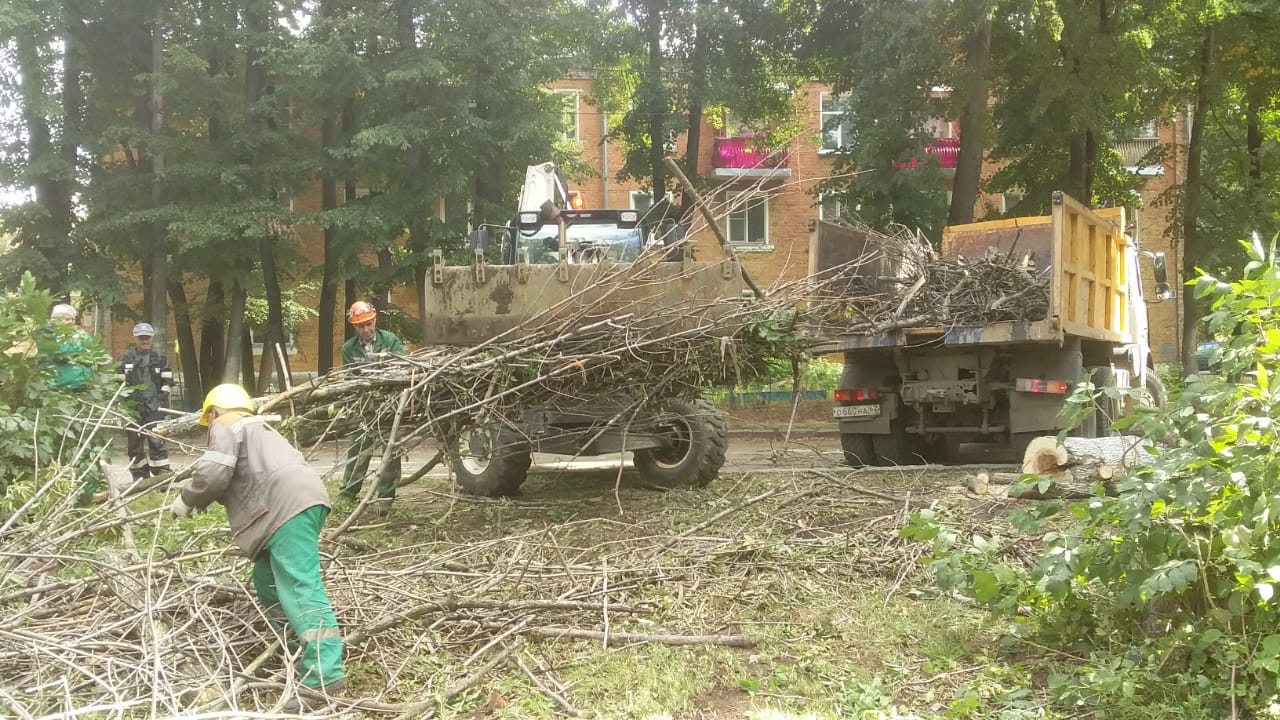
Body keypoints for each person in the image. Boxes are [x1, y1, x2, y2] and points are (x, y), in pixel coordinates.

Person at [171, 383, 346, 709]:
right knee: (267, 582)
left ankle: (324, 674)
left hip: (285, 508)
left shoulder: (226, 424)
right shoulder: (259, 427)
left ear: (213, 412)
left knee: (300, 586)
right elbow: (240, 475)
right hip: (300, 501)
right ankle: (295, 650)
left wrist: (187, 499)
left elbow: (213, 473)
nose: (210, 427)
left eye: (209, 420)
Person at [337, 301, 404, 513]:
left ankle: (386, 497)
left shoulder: (390, 340)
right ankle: (348, 493)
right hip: (363, 407)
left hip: (390, 405)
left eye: (369, 323)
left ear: (375, 320)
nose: (366, 329)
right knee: (358, 448)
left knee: (390, 451)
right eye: (361, 326)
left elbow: (404, 369)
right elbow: (350, 380)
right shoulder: (349, 349)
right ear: (354, 327)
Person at [118, 322, 173, 481]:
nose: (144, 341)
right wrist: (123, 404)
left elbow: (168, 382)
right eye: (141, 338)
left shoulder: (160, 358)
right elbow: (117, 384)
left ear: (152, 338)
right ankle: (140, 477)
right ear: (135, 338)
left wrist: (161, 402)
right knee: (134, 444)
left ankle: (162, 475)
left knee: (157, 440)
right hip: (132, 408)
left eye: (147, 338)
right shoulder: (125, 358)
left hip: (155, 408)